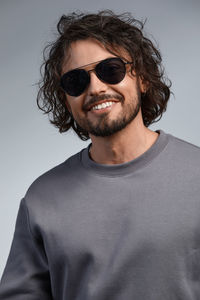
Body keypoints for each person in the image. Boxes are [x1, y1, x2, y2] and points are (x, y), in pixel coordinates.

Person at [0, 10, 200, 300]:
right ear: (66, 100)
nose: (95, 88)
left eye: (111, 70)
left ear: (142, 79)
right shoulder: (41, 200)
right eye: (76, 81)